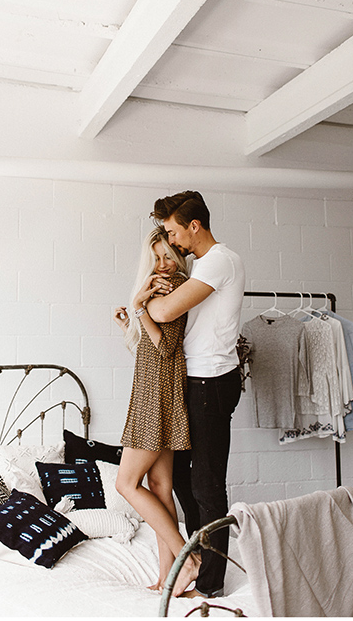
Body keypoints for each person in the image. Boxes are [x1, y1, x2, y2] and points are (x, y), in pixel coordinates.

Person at [144, 190, 245, 599]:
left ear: (194, 226)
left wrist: (144, 302)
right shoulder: (202, 265)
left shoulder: (221, 260)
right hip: (194, 381)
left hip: (211, 383)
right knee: (184, 481)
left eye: (173, 232)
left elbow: (165, 312)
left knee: (205, 485)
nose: (171, 240)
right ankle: (197, 559)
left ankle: (209, 585)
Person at [112, 227, 200, 595]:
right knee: (160, 487)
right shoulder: (158, 287)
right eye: (158, 257)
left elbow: (166, 347)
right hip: (157, 388)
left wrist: (139, 307)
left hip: (156, 396)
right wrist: (129, 323)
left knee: (125, 483)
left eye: (169, 256)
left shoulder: (174, 286)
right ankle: (169, 578)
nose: (164, 264)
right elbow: (151, 350)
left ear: (179, 256)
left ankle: (187, 559)